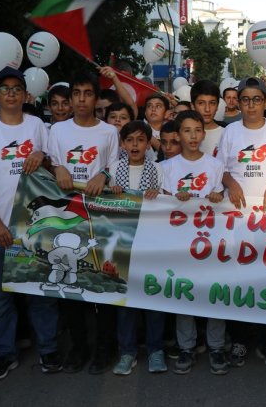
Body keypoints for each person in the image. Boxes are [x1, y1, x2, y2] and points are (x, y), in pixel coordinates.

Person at [0, 67, 60, 381]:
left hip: (35, 226)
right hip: (2, 229)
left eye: (16, 88)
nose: (10, 93)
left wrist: (40, 152)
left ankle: (49, 350)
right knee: (1, 297)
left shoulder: (37, 125)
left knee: (40, 293)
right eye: (4, 88)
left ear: (26, 94)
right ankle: (6, 354)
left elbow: (51, 159)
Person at [217, 77, 266, 368]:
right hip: (236, 217)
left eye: (256, 99)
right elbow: (220, 167)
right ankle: (239, 340)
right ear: (237, 102)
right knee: (239, 280)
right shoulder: (230, 131)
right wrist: (231, 182)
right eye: (245, 99)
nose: (250, 105)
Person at [47, 72, 119, 375]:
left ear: (96, 98)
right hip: (65, 214)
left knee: (101, 283)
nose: (80, 99)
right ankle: (79, 347)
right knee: (68, 283)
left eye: (87, 93)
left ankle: (105, 348)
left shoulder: (108, 133)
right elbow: (49, 161)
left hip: (100, 216)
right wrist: (58, 166)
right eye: (76, 93)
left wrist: (104, 175)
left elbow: (116, 167)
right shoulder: (58, 130)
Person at [161, 111, 228, 375]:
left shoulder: (215, 166)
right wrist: (171, 197)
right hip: (179, 243)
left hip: (210, 241)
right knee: (183, 292)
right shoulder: (166, 168)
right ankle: (186, 346)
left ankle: (216, 347)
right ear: (178, 135)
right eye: (186, 130)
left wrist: (218, 195)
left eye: (197, 130)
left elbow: (225, 198)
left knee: (215, 292)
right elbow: (161, 205)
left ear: (204, 133)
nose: (192, 136)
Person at [107, 121, 166, 376]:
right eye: (129, 140)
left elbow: (167, 202)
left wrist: (158, 194)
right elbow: (103, 203)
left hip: (151, 242)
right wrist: (112, 192)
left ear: (148, 143)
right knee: (126, 301)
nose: (134, 145)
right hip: (122, 244)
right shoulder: (112, 169)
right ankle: (127, 351)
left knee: (153, 298)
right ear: (122, 144)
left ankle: (155, 350)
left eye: (140, 140)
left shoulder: (158, 170)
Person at [191, 80, 224, 157]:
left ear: (217, 106)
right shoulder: (183, 135)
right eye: (201, 103)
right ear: (192, 106)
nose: (207, 109)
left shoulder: (227, 134)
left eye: (212, 103)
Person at [143, 94, 169, 159]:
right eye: (149, 106)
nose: (153, 109)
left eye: (158, 106)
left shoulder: (171, 130)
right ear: (145, 113)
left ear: (166, 113)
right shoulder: (138, 130)